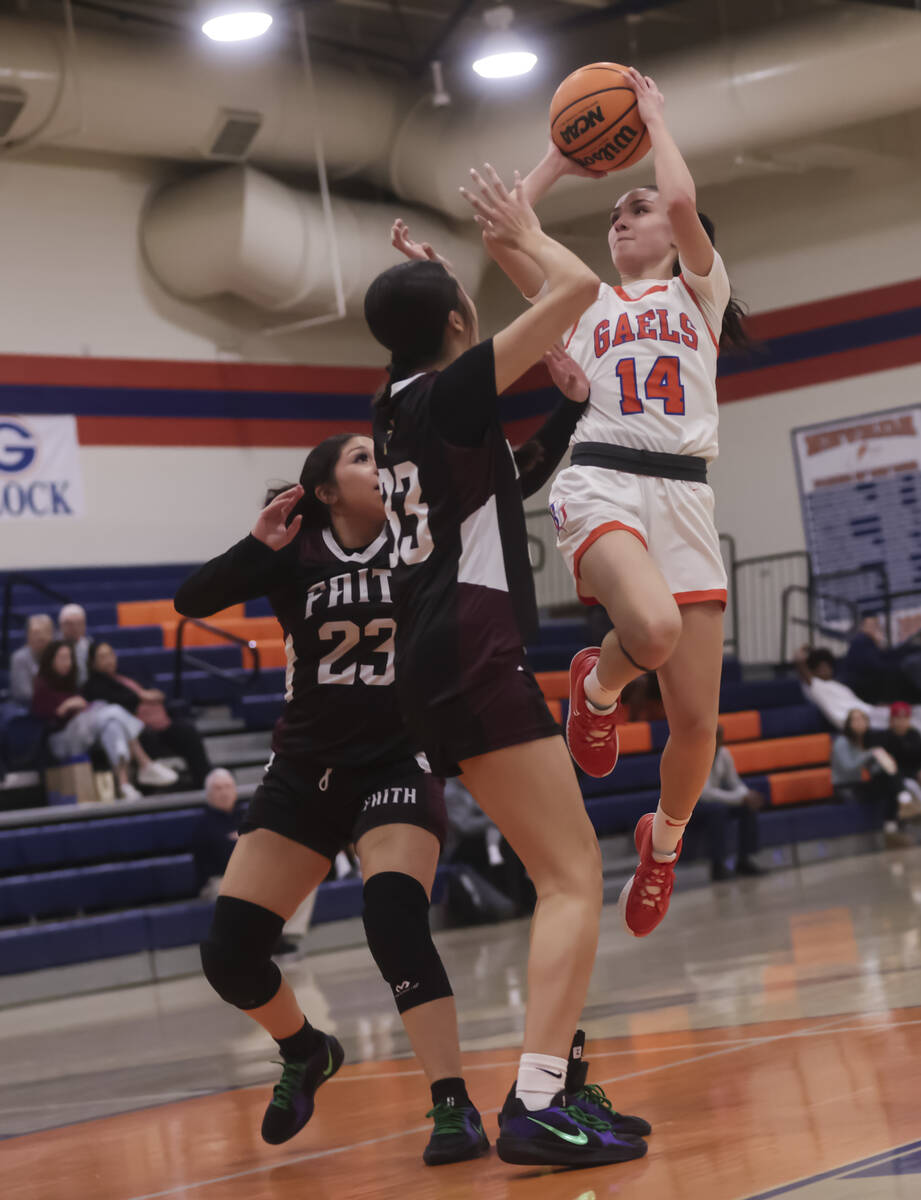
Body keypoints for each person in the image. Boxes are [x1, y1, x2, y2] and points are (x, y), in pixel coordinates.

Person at [176, 418, 646, 1167]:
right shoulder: (293, 551)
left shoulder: (417, 533)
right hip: (303, 768)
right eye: (363, 459)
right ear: (325, 490)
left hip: (398, 761)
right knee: (229, 954)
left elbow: (508, 477)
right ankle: (306, 1049)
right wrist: (254, 545)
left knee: (392, 916)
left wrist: (566, 412)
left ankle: (450, 1101)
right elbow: (192, 600)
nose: (380, 465)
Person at [365, 167, 649, 1170]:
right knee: (573, 877)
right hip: (470, 651)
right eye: (461, 312)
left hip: (429, 660)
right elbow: (572, 289)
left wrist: (564, 414)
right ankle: (535, 1104)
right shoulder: (445, 392)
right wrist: (522, 226)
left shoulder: (396, 408)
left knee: (557, 870)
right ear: (452, 323)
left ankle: (562, 1085)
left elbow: (502, 480)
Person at [485, 69, 749, 939]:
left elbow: (681, 199)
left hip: (683, 497)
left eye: (634, 208)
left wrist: (655, 120)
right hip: (598, 474)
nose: (623, 217)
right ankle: (595, 693)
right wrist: (558, 160)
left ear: (676, 238)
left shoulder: (699, 294)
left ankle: (662, 845)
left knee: (696, 724)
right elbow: (504, 229)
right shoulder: (580, 299)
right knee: (654, 628)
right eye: (616, 211)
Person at [31, 641, 178, 800]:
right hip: (60, 741)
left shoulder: (72, 682)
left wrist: (82, 706)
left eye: (69, 658)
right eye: (62, 658)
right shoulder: (42, 687)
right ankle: (145, 763)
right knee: (110, 710)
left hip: (85, 735)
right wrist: (65, 707)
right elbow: (44, 718)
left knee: (112, 726)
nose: (67, 662)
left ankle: (123, 785)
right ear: (50, 660)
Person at [84, 641, 212, 787]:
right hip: (136, 733)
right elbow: (125, 701)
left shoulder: (127, 676)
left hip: (162, 725)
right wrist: (142, 696)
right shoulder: (93, 685)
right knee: (147, 737)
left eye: (110, 655)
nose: (108, 660)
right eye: (102, 657)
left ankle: (205, 782)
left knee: (187, 731)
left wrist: (146, 695)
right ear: (93, 663)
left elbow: (157, 694)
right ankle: (157, 784)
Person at [831, 709, 911, 849]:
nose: (860, 723)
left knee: (887, 775)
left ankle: (892, 825)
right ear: (848, 724)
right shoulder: (842, 742)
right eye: (855, 720)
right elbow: (849, 768)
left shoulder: (867, 741)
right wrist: (871, 754)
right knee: (887, 782)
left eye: (862, 719)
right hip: (846, 787)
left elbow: (872, 768)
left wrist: (885, 763)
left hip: (862, 783)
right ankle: (903, 799)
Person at [694, 726, 765, 881]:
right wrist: (740, 798)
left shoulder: (724, 753)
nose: (719, 740)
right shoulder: (695, 755)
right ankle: (717, 866)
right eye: (715, 736)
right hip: (691, 807)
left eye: (720, 737)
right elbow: (705, 794)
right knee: (718, 811)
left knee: (747, 807)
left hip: (715, 802)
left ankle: (744, 860)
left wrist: (747, 795)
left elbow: (735, 782)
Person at [793, 645, 921, 731]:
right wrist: (804, 652)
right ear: (814, 671)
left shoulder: (836, 684)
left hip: (867, 712)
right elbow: (800, 663)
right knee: (910, 719)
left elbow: (856, 703)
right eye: (822, 668)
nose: (827, 670)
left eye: (828, 667)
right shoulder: (816, 687)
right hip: (854, 720)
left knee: (915, 711)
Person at [9, 613, 55, 706]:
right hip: (29, 708)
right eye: (36, 633)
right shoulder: (19, 658)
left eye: (46, 631)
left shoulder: (59, 653)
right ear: (28, 636)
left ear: (52, 634)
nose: (41, 637)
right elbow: (24, 694)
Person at [58, 603, 91, 686]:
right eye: (70, 624)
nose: (75, 628)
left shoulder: (90, 645)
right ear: (61, 625)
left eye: (79, 623)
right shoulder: (53, 648)